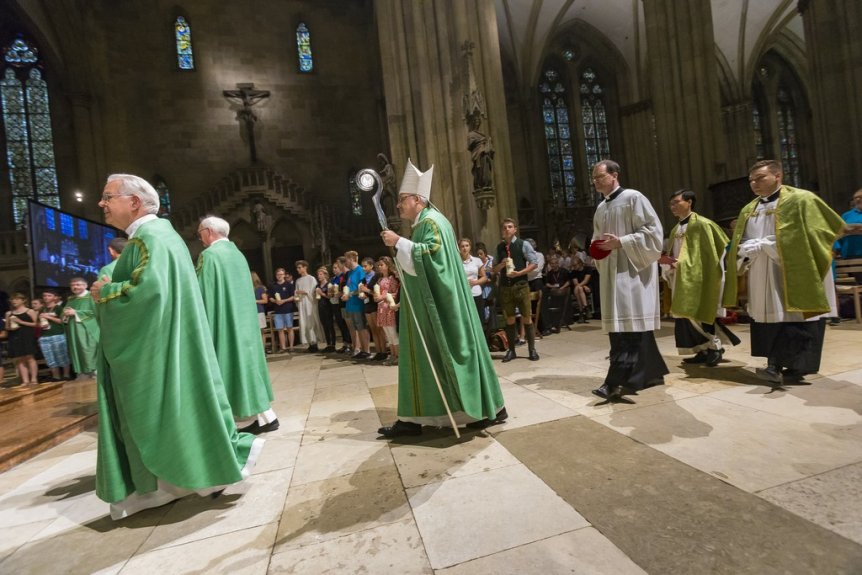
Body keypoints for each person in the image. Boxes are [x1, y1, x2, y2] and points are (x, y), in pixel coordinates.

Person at [91, 174, 262, 519]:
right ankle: (177, 482)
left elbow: (148, 293)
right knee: (178, 406)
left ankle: (165, 484)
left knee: (159, 408)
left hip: (157, 347)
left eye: (108, 196)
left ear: (134, 202)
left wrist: (105, 292)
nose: (101, 203)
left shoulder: (149, 239)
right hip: (169, 341)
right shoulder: (158, 237)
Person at [378, 159, 506, 437]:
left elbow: (432, 258)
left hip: (438, 305)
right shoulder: (429, 222)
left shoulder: (431, 223)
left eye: (402, 199)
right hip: (433, 301)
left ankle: (432, 417)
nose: (398, 205)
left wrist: (398, 242)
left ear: (417, 199)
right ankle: (420, 417)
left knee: (443, 352)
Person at [723, 160, 846, 385]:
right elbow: (741, 241)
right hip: (762, 270)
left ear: (778, 176)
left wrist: (767, 245)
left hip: (794, 268)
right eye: (751, 180)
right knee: (772, 317)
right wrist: (746, 249)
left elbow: (821, 233)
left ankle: (787, 366)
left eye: (760, 178)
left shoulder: (802, 199)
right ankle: (778, 364)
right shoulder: (748, 209)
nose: (754, 183)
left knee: (796, 316)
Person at [590, 159, 668, 400]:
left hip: (632, 274)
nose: (595, 182)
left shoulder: (634, 198)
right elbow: (596, 239)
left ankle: (613, 382)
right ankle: (646, 374)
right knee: (619, 331)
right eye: (593, 178)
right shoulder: (601, 208)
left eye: (599, 176)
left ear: (614, 175)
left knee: (629, 332)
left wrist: (622, 242)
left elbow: (653, 233)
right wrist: (598, 249)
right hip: (612, 274)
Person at [196, 216, 279, 433]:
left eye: (200, 233)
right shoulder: (237, 254)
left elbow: (202, 291)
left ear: (209, 232)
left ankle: (243, 420)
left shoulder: (210, 256)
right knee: (247, 363)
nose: (199, 238)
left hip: (224, 319)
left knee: (230, 362)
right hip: (244, 320)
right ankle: (266, 417)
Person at [660, 189, 739, 367]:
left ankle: (715, 348)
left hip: (701, 278)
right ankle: (702, 349)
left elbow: (718, 251)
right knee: (686, 316)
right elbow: (674, 254)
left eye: (676, 202)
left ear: (689, 202)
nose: (672, 206)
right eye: (671, 203)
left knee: (701, 313)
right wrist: (668, 264)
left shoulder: (704, 224)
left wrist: (684, 264)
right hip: (680, 277)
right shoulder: (675, 229)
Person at [494, 218, 540, 362]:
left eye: (510, 227)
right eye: (504, 227)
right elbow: (494, 269)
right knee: (509, 319)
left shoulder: (523, 244)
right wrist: (501, 265)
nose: (507, 229)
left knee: (526, 317)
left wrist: (520, 273)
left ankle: (532, 350)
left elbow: (534, 263)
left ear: (515, 229)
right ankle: (511, 351)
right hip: (505, 287)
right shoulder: (500, 247)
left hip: (521, 285)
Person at [63, 277, 99, 377]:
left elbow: (97, 312)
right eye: (72, 285)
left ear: (85, 285)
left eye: (78, 284)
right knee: (76, 350)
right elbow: (64, 313)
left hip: (88, 329)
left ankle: (95, 371)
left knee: (88, 349)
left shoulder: (92, 296)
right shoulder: (71, 299)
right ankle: (82, 372)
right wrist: (65, 314)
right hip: (73, 331)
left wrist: (76, 313)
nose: (75, 287)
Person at [4, 293, 39, 385]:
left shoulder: (30, 311)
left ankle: (34, 379)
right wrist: (10, 328)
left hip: (27, 335)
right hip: (15, 336)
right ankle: (25, 380)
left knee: (30, 357)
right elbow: (6, 327)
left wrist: (21, 322)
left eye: (16, 299)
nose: (14, 301)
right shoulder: (9, 313)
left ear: (23, 300)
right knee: (20, 359)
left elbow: (36, 324)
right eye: (12, 299)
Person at [342, 251, 371, 359]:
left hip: (358, 303)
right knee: (357, 328)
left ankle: (367, 350)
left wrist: (349, 294)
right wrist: (345, 294)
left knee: (362, 327)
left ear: (352, 259)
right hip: (350, 303)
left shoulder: (360, 270)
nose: (345, 262)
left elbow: (361, 287)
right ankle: (362, 350)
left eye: (346, 259)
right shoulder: (350, 272)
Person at [357, 256, 386, 360]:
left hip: (375, 304)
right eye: (362, 266)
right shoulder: (364, 279)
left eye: (365, 266)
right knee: (373, 329)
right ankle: (378, 351)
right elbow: (364, 291)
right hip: (367, 304)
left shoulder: (376, 276)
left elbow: (377, 292)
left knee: (379, 329)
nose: (363, 268)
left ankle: (383, 351)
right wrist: (362, 294)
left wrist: (366, 290)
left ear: (371, 266)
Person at [39, 289, 71, 382]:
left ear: (55, 297)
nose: (46, 297)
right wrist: (41, 324)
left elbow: (63, 321)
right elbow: (38, 322)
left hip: (57, 334)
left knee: (62, 356)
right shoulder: (42, 309)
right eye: (45, 296)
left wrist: (48, 317)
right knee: (49, 357)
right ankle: (55, 376)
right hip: (44, 335)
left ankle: (66, 375)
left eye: (49, 295)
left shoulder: (59, 308)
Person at [374, 256, 401, 366]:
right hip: (382, 308)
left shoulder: (392, 279)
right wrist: (377, 297)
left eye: (382, 265)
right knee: (388, 335)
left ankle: (398, 356)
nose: (380, 267)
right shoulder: (380, 279)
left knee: (393, 333)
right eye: (379, 265)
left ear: (388, 266)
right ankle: (392, 355)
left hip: (389, 307)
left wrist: (383, 296)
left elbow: (395, 293)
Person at [294, 259, 325, 353]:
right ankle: (310, 343)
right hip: (302, 304)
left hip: (310, 304)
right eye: (297, 268)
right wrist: (297, 296)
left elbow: (314, 293)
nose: (298, 269)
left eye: (300, 267)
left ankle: (314, 343)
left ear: (305, 267)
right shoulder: (298, 281)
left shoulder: (311, 279)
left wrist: (305, 292)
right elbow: (296, 292)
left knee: (311, 323)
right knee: (305, 323)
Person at [834, 188, 862, 281]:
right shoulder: (846, 215)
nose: (858, 199)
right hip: (850, 255)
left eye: (860, 197)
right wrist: (836, 250)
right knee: (857, 283)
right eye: (855, 198)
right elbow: (838, 233)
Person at [459, 238, 488, 322]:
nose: (465, 248)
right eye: (462, 246)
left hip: (476, 293)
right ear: (459, 248)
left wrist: (476, 282)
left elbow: (484, 277)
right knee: (467, 320)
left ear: (470, 247)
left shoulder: (477, 260)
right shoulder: (456, 262)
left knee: (479, 319)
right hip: (463, 294)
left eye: (467, 246)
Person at [269, 268, 296, 352]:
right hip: (278, 311)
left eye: (281, 274)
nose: (279, 276)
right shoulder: (273, 286)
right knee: (280, 329)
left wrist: (284, 300)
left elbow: (293, 297)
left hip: (288, 309)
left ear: (284, 275)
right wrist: (275, 301)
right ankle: (283, 347)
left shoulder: (289, 285)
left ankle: (291, 347)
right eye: (278, 275)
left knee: (289, 328)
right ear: (276, 276)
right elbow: (270, 297)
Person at [314, 267, 338, 353]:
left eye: (320, 274)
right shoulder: (317, 286)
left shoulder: (329, 284)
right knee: (324, 325)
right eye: (318, 274)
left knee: (330, 325)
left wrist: (321, 293)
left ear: (325, 275)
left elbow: (330, 296)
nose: (319, 276)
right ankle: (328, 344)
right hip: (320, 307)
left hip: (328, 307)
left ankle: (333, 345)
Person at [251, 271, 270, 351]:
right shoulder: (248, 288)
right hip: (250, 313)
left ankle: (262, 349)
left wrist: (255, 301)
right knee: (253, 331)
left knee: (261, 331)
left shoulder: (260, 289)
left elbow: (265, 300)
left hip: (259, 312)